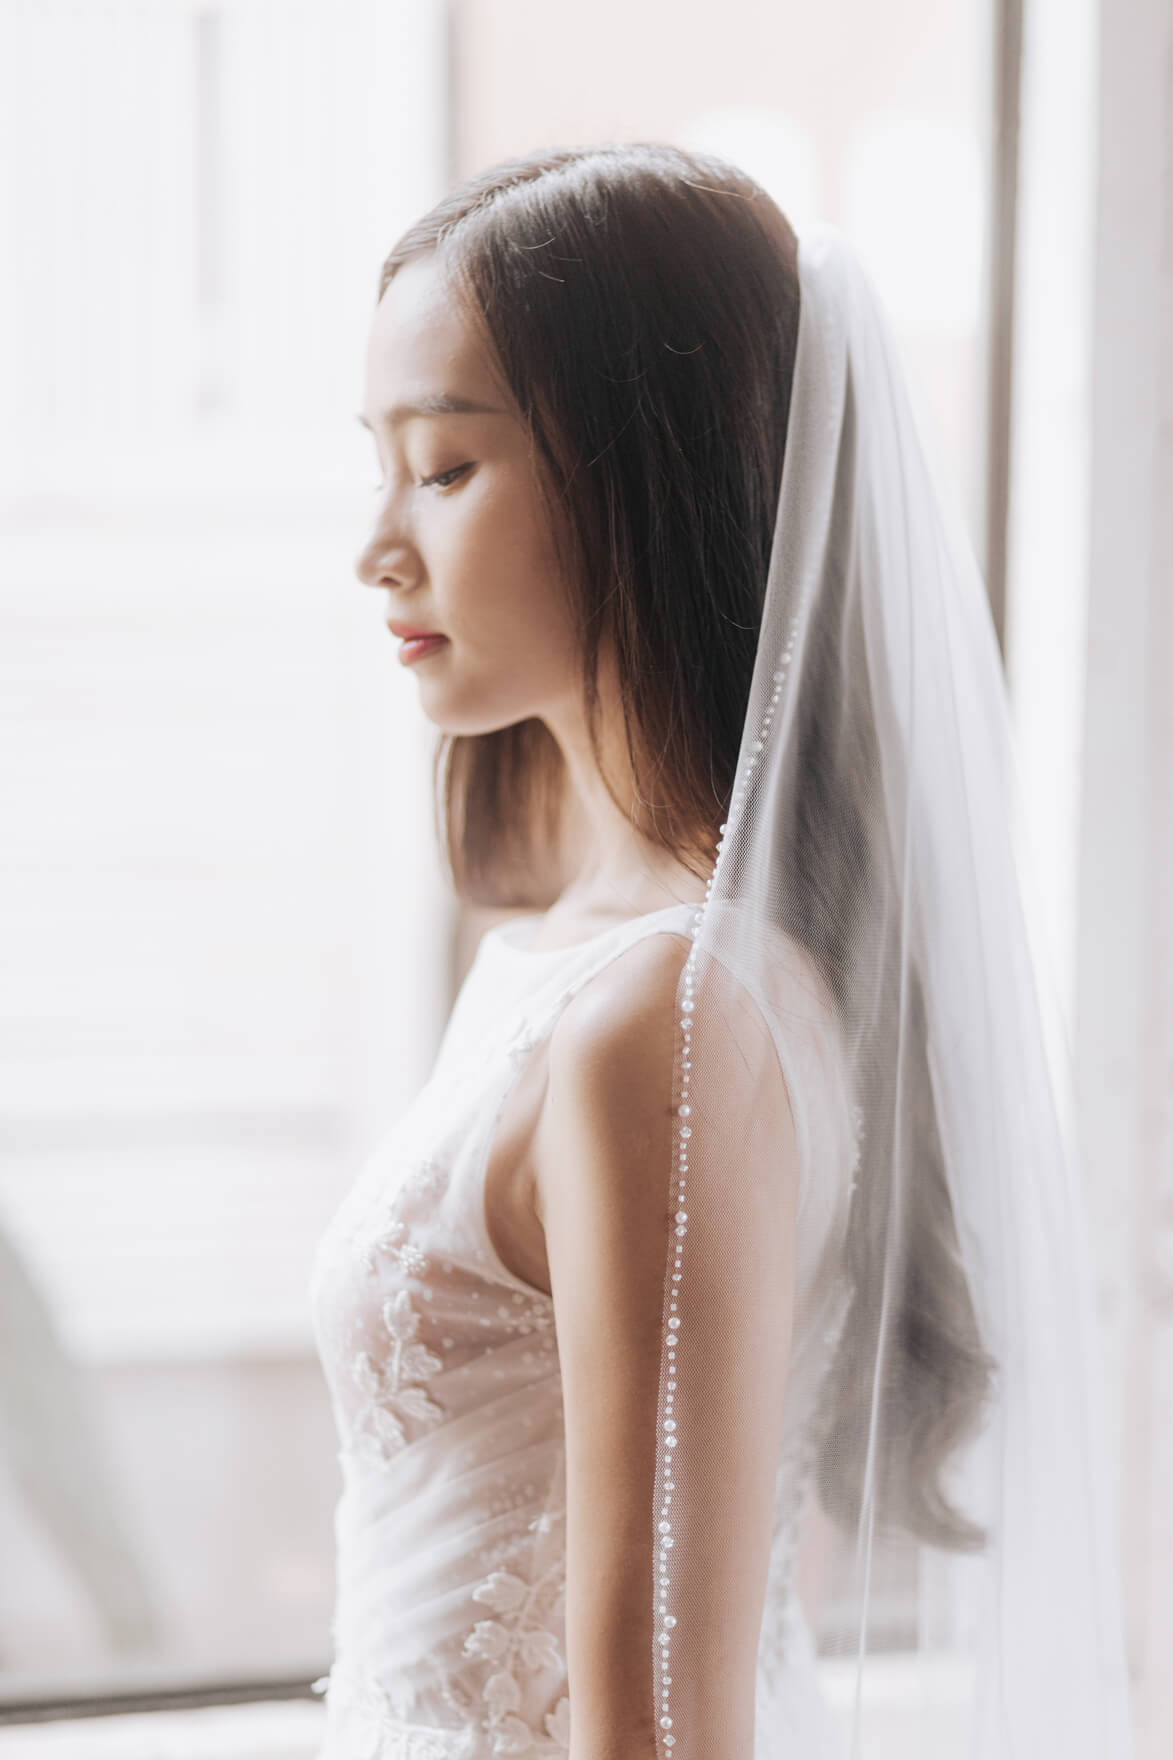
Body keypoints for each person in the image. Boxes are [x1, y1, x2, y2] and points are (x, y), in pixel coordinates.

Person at [309, 144, 1132, 1760]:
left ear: (636, 478)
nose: (378, 547)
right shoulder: (574, 964)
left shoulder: (662, 1026)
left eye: (447, 468)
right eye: (380, 463)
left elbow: (664, 1722)